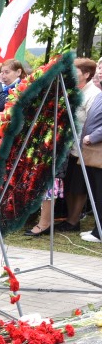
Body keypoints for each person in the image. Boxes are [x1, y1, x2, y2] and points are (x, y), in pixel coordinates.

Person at [55, 58, 101, 233]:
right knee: (69, 184)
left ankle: (74, 220)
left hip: (84, 147)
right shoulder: (73, 91)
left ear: (87, 74)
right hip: (69, 146)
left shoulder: (94, 94)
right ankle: (69, 218)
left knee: (79, 186)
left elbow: (92, 122)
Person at [80, 94, 102, 243]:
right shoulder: (99, 94)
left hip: (98, 147)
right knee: (95, 192)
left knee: (100, 192)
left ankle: (99, 232)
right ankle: (97, 227)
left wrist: (93, 137)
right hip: (93, 150)